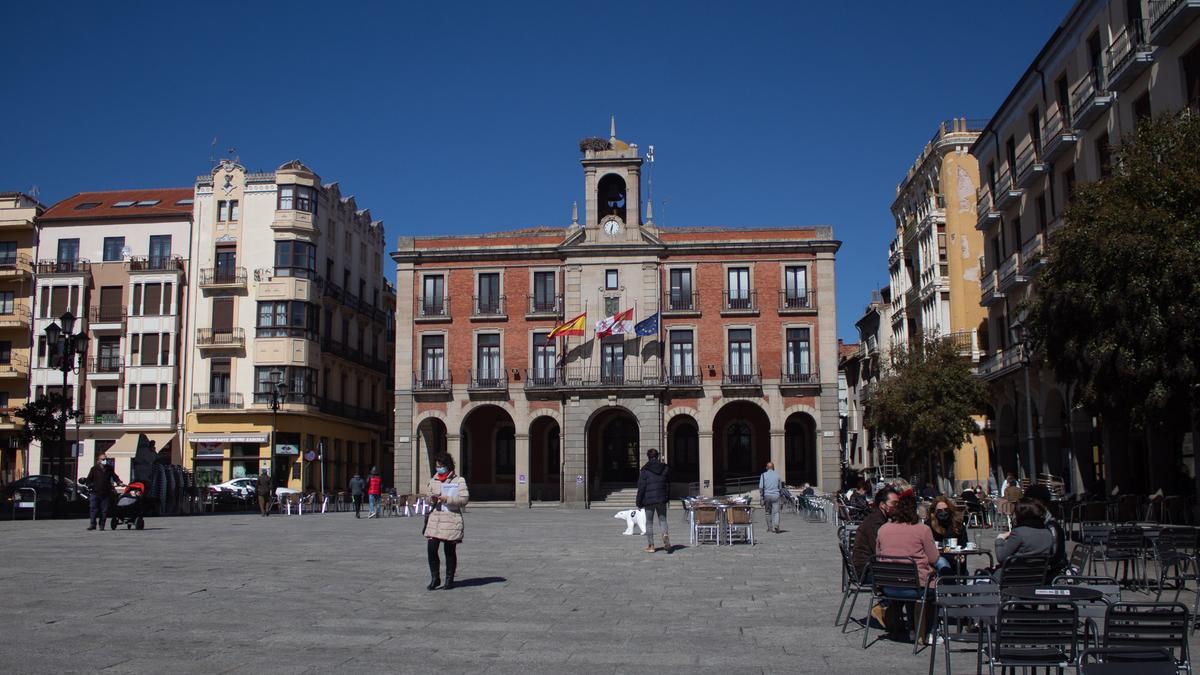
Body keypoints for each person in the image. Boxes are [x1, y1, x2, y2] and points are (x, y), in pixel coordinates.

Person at [876, 493, 942, 643]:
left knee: (912, 582)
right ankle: (930, 631)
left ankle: (913, 629)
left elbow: (878, 555)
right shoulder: (922, 530)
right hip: (916, 587)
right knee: (930, 583)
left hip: (889, 586)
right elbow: (934, 558)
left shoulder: (883, 529)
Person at [425, 452, 469, 590]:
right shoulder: (433, 480)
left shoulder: (458, 480)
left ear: (448, 466)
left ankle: (449, 579)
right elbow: (427, 497)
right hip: (435, 519)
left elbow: (464, 499)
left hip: (450, 519)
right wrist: (431, 499)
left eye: (441, 466)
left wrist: (447, 499)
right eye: (437, 466)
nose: (439, 468)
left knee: (449, 551)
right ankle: (435, 578)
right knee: (431, 549)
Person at [1024, 484, 1067, 576]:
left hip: (1048, 574)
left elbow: (1056, 556)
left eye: (1028, 504)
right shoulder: (1032, 523)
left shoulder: (1051, 527)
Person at [995, 499, 1054, 564]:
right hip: (1040, 572)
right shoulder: (1047, 532)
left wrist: (1000, 539)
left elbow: (1001, 557)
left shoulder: (1018, 533)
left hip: (1015, 572)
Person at [635, 448, 671, 553]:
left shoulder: (645, 470)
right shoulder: (664, 468)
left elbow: (641, 487)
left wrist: (639, 502)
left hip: (648, 500)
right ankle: (665, 535)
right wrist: (666, 497)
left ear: (648, 457)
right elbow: (668, 485)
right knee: (663, 520)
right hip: (661, 499)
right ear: (658, 456)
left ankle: (651, 546)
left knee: (649, 522)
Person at [85, 452, 121, 530]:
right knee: (93, 509)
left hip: (106, 493)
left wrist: (119, 482)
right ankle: (92, 524)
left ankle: (102, 525)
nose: (105, 461)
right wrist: (90, 485)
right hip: (95, 492)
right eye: (103, 459)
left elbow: (115, 477)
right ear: (99, 460)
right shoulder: (94, 468)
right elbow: (88, 480)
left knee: (104, 510)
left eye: (106, 459)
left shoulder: (109, 468)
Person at [759, 461, 782, 534]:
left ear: (766, 468)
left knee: (768, 512)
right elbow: (780, 487)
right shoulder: (777, 475)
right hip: (776, 495)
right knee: (776, 512)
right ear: (773, 468)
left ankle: (769, 528)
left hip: (767, 495)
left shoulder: (763, 475)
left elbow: (761, 487)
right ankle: (776, 525)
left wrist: (761, 496)